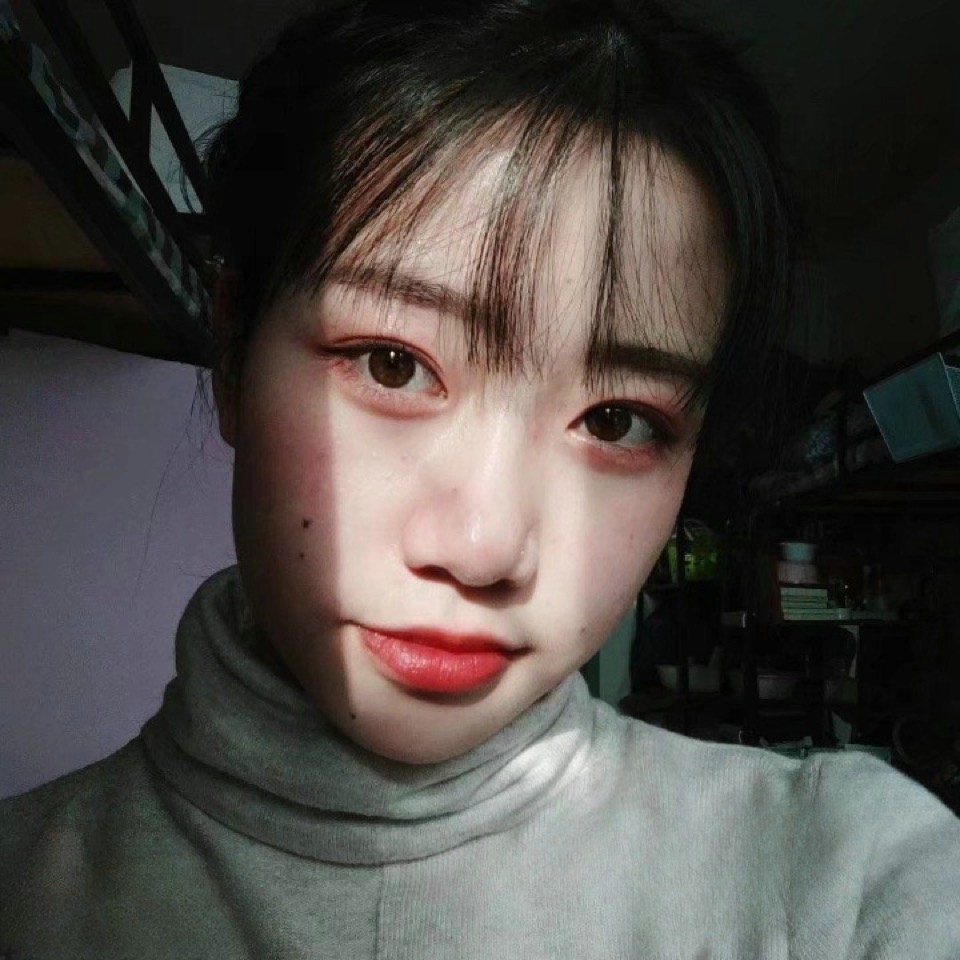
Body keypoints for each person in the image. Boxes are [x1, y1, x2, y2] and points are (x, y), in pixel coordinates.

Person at [3, 0, 959, 956]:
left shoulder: (842, 876)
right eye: (392, 365)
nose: (484, 547)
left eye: (617, 422)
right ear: (232, 355)